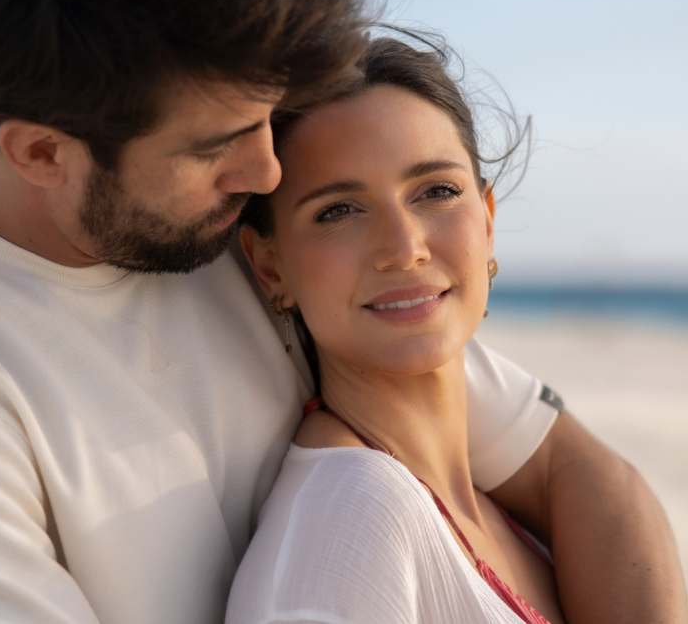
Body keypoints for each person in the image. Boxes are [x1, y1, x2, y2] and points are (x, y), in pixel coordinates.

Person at [0, 0, 686, 622]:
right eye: (218, 143)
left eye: (268, 120)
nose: (266, 170)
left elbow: (575, 471)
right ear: (42, 151)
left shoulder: (217, 227)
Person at [228, 35, 601, 624]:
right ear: (271, 266)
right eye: (339, 210)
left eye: (436, 191)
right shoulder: (348, 519)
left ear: (488, 221)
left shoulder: (486, 500)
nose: (404, 250)